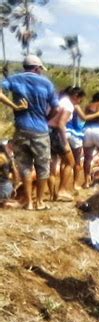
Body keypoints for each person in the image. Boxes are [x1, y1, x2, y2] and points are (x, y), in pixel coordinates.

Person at [1, 55, 58, 210]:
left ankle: (28, 202)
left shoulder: (14, 79)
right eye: (40, 69)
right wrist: (47, 119)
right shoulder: (46, 84)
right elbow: (57, 108)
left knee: (25, 166)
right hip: (40, 131)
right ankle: (39, 201)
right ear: (37, 68)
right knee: (43, 166)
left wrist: (14, 105)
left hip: (21, 129)